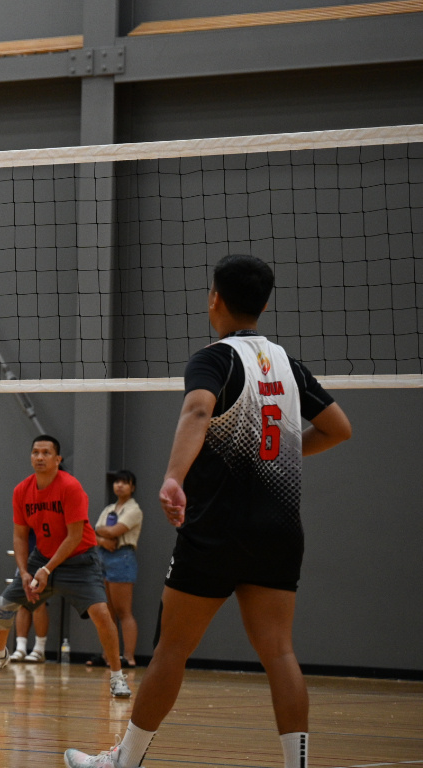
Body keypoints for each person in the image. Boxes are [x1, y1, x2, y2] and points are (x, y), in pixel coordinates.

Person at [65, 255, 352, 768]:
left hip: (217, 526)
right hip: (279, 529)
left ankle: (125, 762)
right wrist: (276, 455)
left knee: (172, 650)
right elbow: (338, 428)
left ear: (214, 297)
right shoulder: (288, 365)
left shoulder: (214, 358)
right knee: (280, 653)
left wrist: (173, 477)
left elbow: (198, 409)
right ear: (264, 304)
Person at [0, 436, 132, 699]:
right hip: (42, 558)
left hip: (80, 560)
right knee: (4, 605)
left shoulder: (70, 487)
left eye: (46, 453)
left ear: (57, 459)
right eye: (35, 452)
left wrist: (47, 570)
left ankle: (117, 676)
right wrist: (24, 571)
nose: (40, 457)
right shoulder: (21, 490)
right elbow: (20, 536)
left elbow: (74, 537)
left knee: (101, 613)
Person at [96, 469, 143, 669]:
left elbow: (115, 531)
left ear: (132, 487)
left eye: (124, 482)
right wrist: (102, 539)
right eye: (117, 482)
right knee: (107, 612)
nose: (119, 485)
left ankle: (129, 657)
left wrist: (103, 533)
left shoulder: (134, 510)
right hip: (103, 557)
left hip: (122, 556)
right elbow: (94, 531)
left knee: (123, 611)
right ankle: (108, 656)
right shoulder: (109, 509)